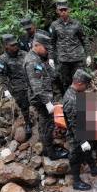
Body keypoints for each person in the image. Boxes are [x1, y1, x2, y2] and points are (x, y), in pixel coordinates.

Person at [23, 31, 68, 160]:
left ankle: (47, 148)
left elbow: (49, 74)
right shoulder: (32, 62)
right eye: (45, 47)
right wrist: (47, 102)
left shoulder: (38, 58)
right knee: (48, 124)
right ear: (37, 45)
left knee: (44, 124)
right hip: (41, 99)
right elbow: (37, 86)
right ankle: (52, 153)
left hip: (42, 97)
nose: (47, 50)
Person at [63, 69, 97, 191]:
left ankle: (93, 168)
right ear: (79, 83)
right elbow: (74, 125)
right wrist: (82, 141)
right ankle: (76, 181)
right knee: (75, 155)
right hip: (76, 133)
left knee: (88, 150)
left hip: (83, 127)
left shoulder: (75, 92)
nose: (87, 88)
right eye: (86, 85)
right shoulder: (71, 100)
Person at [49, 0, 91, 92]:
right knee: (66, 83)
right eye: (61, 10)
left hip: (77, 59)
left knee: (80, 82)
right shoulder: (54, 25)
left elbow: (84, 39)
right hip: (64, 60)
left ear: (69, 10)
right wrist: (51, 58)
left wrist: (88, 55)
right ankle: (69, 103)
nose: (63, 12)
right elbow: (52, 43)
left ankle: (81, 103)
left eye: (65, 9)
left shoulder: (76, 24)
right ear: (57, 11)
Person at [0, 34, 32, 139]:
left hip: (30, 81)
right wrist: (5, 90)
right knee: (24, 105)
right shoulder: (3, 59)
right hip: (17, 85)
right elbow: (1, 76)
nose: (15, 47)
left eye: (16, 44)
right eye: (12, 45)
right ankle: (28, 122)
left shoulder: (24, 54)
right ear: (6, 47)